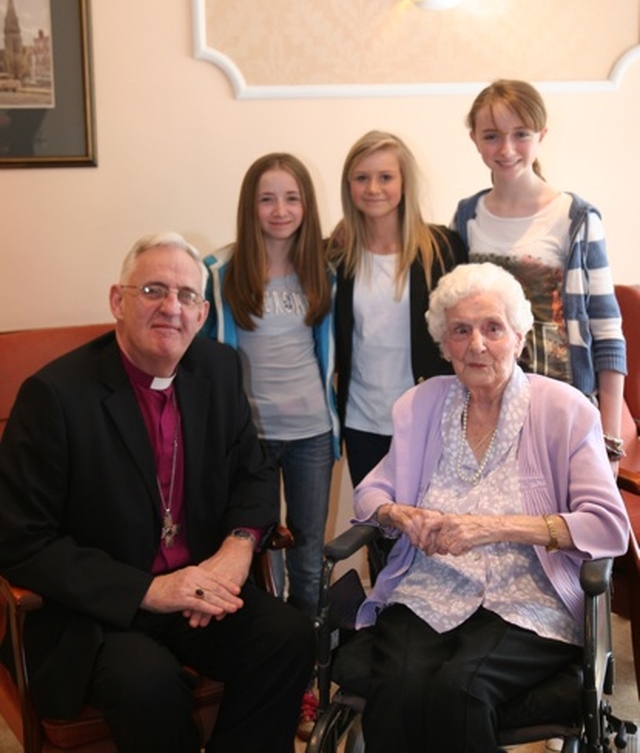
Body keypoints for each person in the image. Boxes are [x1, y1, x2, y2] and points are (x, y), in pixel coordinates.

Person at [0, 231, 315, 753]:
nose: (171, 307)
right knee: (146, 684)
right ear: (117, 301)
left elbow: (254, 472)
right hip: (103, 616)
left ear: (202, 312)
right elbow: (21, 541)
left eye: (186, 296)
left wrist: (236, 551)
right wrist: (149, 591)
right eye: (152, 291)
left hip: (199, 590)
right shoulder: (54, 396)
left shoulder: (217, 369)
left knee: (289, 637)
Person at [351, 262, 629, 753]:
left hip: (527, 598)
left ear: (519, 337)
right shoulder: (420, 406)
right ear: (444, 345)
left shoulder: (564, 411)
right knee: (395, 690)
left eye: (492, 328)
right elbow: (372, 494)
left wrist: (495, 527)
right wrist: (398, 515)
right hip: (428, 589)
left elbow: (608, 526)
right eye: (461, 330)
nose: (476, 344)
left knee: (461, 690)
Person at [202, 153, 337, 739]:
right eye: (266, 198)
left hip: (311, 433)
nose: (279, 210)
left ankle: (306, 679)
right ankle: (270, 671)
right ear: (249, 206)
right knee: (261, 560)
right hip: (250, 440)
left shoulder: (323, 271)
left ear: (306, 205)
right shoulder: (220, 272)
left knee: (308, 558)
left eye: (291, 198)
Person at [453, 79, 626, 464]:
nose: (507, 149)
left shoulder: (576, 218)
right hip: (486, 413)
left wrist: (610, 442)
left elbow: (607, 332)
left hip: (562, 411)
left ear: (541, 135)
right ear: (475, 140)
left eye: (521, 134)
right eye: (493, 136)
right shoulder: (467, 217)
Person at [327, 129, 467, 487]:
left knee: (430, 532)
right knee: (378, 531)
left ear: (404, 184)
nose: (373, 188)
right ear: (349, 187)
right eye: (362, 178)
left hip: (429, 417)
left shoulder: (441, 248)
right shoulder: (336, 256)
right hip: (363, 421)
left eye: (385, 177)